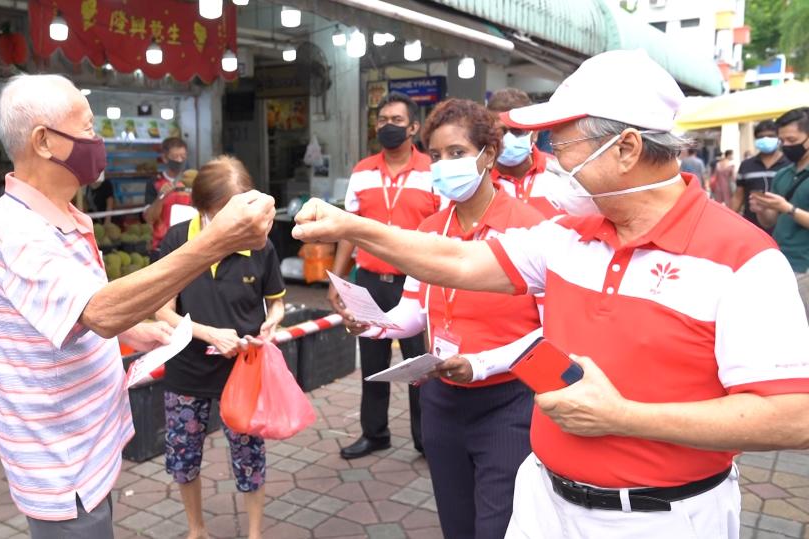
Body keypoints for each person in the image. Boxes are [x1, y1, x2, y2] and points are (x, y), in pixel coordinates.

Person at [291, 50, 809, 539]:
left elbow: (793, 417)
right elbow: (458, 260)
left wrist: (625, 417)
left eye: (560, 145)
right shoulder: (572, 235)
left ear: (626, 148)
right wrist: (351, 225)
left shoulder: (743, 258)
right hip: (548, 503)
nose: (549, 160)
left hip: (661, 517)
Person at [0, 74, 274, 539]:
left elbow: (78, 316)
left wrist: (129, 331)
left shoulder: (64, 218)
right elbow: (98, 311)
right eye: (88, 128)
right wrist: (215, 242)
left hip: (86, 451)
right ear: (44, 141)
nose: (97, 142)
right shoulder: (18, 231)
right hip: (62, 465)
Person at [351, 98, 544, 538]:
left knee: (498, 527)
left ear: (488, 155)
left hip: (509, 401)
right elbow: (414, 308)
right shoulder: (430, 231)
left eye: (456, 153)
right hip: (443, 399)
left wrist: (481, 364)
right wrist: (374, 322)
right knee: (456, 525)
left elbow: (551, 332)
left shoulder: (531, 229)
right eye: (435, 156)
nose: (442, 166)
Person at [154, 155, 285, 539]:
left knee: (249, 455)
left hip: (242, 370)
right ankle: (197, 529)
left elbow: (275, 300)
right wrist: (210, 334)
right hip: (187, 370)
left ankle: (255, 533)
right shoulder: (178, 241)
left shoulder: (258, 242)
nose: (235, 220)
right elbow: (163, 311)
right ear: (203, 206)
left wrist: (273, 320)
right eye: (223, 210)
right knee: (183, 456)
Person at [328, 91, 442, 459]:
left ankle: (427, 439)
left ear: (413, 127)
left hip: (418, 282)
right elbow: (350, 227)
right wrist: (338, 277)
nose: (387, 127)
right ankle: (374, 433)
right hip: (371, 281)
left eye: (396, 121)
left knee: (418, 367)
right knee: (372, 361)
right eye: (382, 121)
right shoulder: (362, 171)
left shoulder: (433, 171)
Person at [486, 88, 585, 217]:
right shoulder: (476, 182)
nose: (508, 139)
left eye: (518, 131)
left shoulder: (564, 173)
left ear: (535, 134)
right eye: (501, 132)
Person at [751, 107, 809, 317]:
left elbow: (786, 210)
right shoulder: (783, 174)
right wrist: (761, 209)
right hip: (780, 261)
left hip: (804, 266)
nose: (786, 146)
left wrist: (787, 208)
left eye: (792, 140)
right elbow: (769, 222)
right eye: (782, 140)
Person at [734, 120, 791, 231]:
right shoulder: (746, 165)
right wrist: (729, 219)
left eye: (771, 136)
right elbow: (738, 196)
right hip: (752, 226)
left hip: (784, 227)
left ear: (779, 138)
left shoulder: (790, 164)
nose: (766, 139)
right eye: (761, 137)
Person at [145, 137, 192, 254]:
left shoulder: (193, 181)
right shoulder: (155, 182)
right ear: (165, 158)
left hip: (189, 244)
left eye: (183, 156)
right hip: (162, 246)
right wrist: (161, 197)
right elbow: (149, 218)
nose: (180, 160)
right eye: (175, 157)